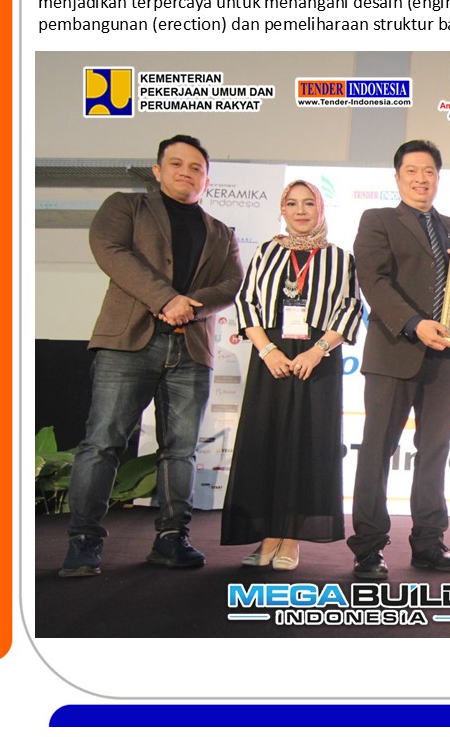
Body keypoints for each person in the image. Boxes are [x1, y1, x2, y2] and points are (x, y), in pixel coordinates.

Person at [59, 135, 243, 577]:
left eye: (196, 168)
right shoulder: (126, 207)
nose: (186, 172)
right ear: (158, 171)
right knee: (102, 443)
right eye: (176, 164)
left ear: (207, 180)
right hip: (127, 343)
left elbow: (230, 284)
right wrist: (166, 299)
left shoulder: (222, 232)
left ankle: (172, 538)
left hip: (191, 349)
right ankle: (84, 541)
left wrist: (187, 307)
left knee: (180, 451)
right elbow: (111, 252)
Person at [221, 180, 363, 571]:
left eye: (309, 203)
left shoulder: (340, 257)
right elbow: (246, 302)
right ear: (282, 210)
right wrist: (267, 350)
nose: (301, 211)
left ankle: (292, 536)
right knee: (266, 442)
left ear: (321, 209)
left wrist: (318, 351)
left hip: (318, 359)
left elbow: (351, 308)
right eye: (292, 203)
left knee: (307, 445)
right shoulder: (266, 252)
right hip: (272, 356)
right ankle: (268, 534)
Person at [348, 140, 450, 579]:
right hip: (394, 353)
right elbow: (373, 281)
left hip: (447, 358)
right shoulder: (378, 220)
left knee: (435, 451)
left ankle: (429, 542)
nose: (421, 179)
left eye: (429, 172)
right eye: (412, 171)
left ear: (439, 177)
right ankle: (368, 547)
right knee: (377, 450)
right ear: (398, 177)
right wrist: (414, 323)